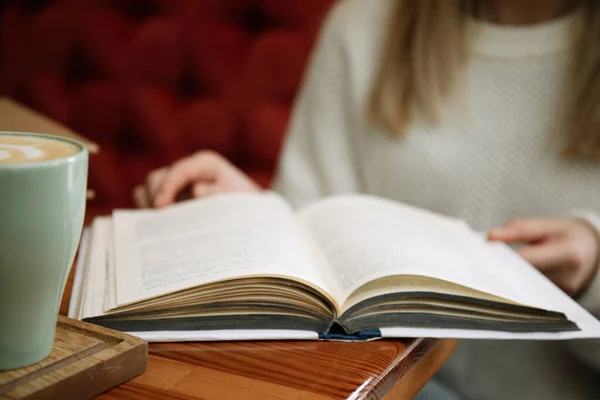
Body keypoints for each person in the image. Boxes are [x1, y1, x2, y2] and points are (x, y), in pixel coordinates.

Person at [133, 0, 600, 398]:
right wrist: (249, 212)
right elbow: (315, 231)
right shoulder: (366, 23)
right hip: (377, 385)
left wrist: (595, 270)